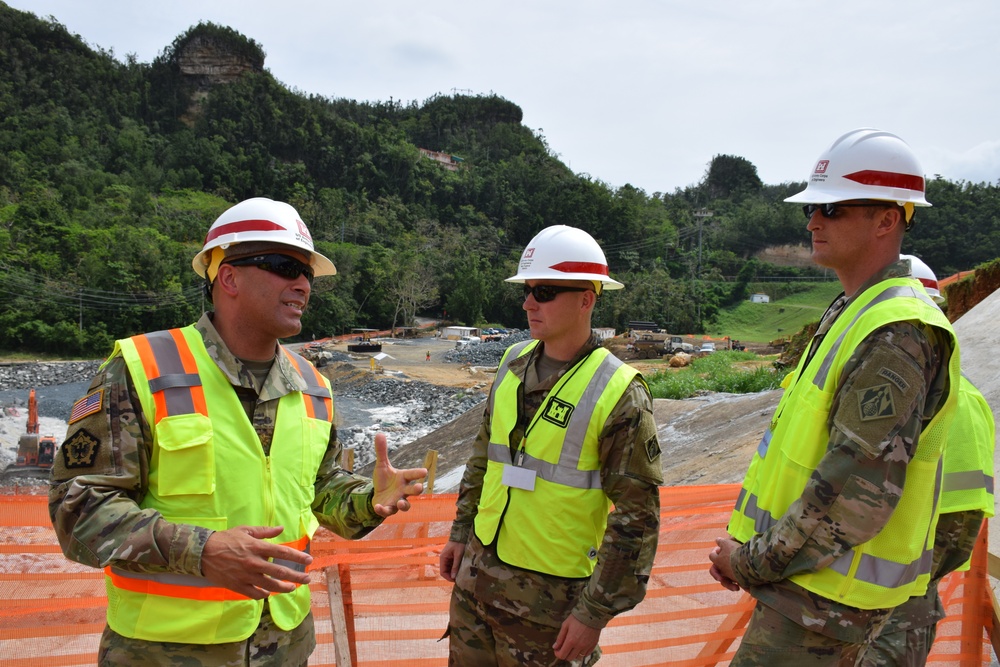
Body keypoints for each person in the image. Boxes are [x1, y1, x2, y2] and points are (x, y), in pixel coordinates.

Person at [49, 197, 427, 666]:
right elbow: (78, 510)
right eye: (284, 266)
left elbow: (315, 492)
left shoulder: (314, 386)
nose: (302, 285)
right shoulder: (140, 369)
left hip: (284, 648)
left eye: (307, 272)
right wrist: (201, 551)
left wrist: (368, 499)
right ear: (227, 276)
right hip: (165, 653)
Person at [708, 129, 962, 665]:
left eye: (832, 207)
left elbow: (853, 494)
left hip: (825, 601)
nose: (812, 221)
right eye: (813, 208)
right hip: (808, 590)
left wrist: (752, 562)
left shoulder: (896, 331)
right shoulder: (852, 312)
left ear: (887, 219)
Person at [439, 225, 662, 666]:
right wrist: (460, 532)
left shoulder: (618, 392)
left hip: (550, 610)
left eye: (543, 291)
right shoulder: (511, 363)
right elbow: (484, 457)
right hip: (476, 586)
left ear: (586, 299)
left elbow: (637, 519)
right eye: (527, 290)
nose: (527, 303)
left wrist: (594, 614)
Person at [859, 256, 995, 666]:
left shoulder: (958, 401)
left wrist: (892, 586)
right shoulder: (906, 391)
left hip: (892, 614)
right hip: (858, 604)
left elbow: (959, 524)